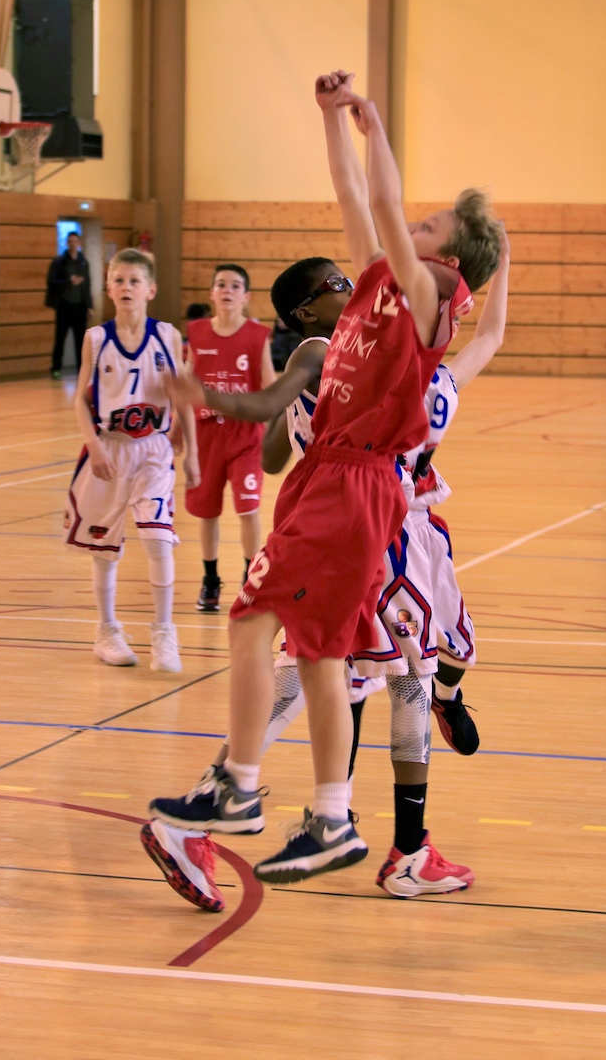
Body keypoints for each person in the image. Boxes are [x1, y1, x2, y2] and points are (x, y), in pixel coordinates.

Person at [146, 69, 502, 891]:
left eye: (429, 225)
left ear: (447, 262)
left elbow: (381, 202)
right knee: (320, 654)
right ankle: (333, 819)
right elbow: (354, 198)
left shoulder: (424, 301)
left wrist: (373, 128)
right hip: (337, 486)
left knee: (258, 625)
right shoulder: (375, 289)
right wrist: (330, 122)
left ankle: (239, 789)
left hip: (357, 485)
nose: (410, 224)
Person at [140, 253, 353, 909]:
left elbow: (271, 445)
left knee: (329, 669)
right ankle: (240, 805)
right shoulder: (326, 350)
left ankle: (304, 810)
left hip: (363, 515)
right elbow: (271, 427)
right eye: (337, 283)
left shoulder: (356, 346)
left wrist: (288, 419)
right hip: (347, 513)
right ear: (307, 310)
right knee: (314, 666)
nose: (351, 287)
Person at [63, 247, 199, 673]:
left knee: (158, 539)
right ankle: (107, 631)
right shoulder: (96, 338)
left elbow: (183, 396)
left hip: (154, 451)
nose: (126, 287)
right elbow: (80, 400)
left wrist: (192, 451)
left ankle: (164, 633)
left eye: (134, 281)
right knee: (104, 549)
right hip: (109, 448)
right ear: (108, 288)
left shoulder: (168, 336)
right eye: (118, 280)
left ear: (150, 290)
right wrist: (93, 443)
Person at [185, 265, 276, 613]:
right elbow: (188, 386)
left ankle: (249, 578)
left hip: (245, 434)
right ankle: (210, 579)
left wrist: (277, 429)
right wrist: (178, 431)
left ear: (246, 296)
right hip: (206, 435)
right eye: (221, 284)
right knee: (207, 512)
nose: (227, 290)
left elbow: (270, 386)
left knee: (248, 509)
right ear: (211, 293)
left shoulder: (257, 335)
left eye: (235, 285)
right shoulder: (197, 333)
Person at [46, 231, 92, 379]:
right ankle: (56, 368)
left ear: (79, 243)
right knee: (60, 338)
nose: (73, 244)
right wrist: (68, 281)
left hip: (79, 306)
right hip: (64, 306)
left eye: (75, 241)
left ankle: (81, 369)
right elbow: (51, 282)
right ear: (67, 243)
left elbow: (87, 286)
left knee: (81, 340)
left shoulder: (83, 263)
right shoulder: (59, 262)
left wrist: (89, 306)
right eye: (70, 241)